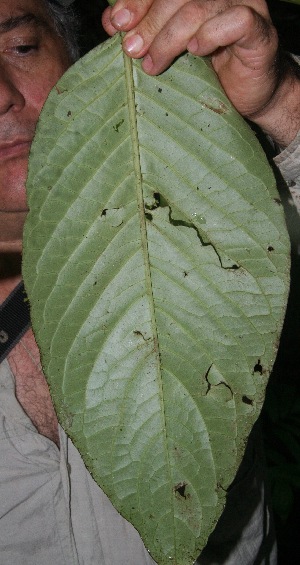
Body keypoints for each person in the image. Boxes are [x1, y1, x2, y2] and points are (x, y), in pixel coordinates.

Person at [0, 0, 299, 563]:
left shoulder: (194, 202)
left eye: (20, 47)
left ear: (79, 50)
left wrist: (281, 101)